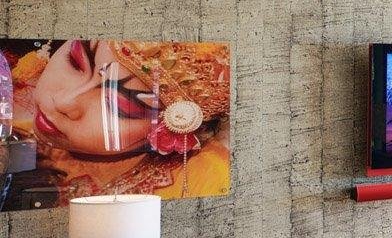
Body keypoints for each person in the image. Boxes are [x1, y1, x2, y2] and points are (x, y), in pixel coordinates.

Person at [2, 38, 231, 205]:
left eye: (120, 106)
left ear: (174, 127)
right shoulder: (16, 134)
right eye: (75, 62)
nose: (64, 101)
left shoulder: (205, 179)